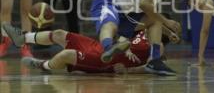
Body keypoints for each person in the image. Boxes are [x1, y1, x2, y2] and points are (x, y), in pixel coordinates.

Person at [90, 0, 184, 75]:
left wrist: (168, 33)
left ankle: (154, 61)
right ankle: (108, 47)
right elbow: (144, 4)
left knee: (154, 20)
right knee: (110, 24)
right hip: (109, 1)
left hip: (126, 14)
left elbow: (150, 14)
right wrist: (167, 21)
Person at [2, 23, 178, 74]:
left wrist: (129, 71)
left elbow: (151, 66)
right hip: (99, 47)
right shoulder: (141, 29)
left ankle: (43, 65)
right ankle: (22, 37)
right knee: (60, 33)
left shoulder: (158, 46)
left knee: (66, 54)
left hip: (104, 61)